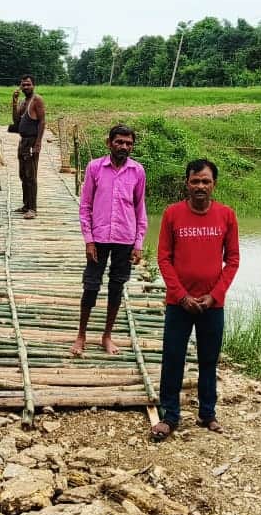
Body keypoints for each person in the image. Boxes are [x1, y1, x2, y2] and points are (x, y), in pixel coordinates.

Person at [150, 159, 240, 442]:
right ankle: (170, 416)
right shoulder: (172, 214)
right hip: (179, 304)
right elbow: (164, 258)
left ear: (214, 184)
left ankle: (207, 413)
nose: (200, 186)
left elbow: (233, 260)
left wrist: (215, 295)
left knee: (209, 360)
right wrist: (181, 295)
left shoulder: (226, 215)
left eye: (206, 181)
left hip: (212, 305)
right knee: (173, 358)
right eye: (195, 181)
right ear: (187, 183)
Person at [71, 125, 147, 357]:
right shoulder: (95, 168)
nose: (124, 146)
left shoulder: (137, 171)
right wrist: (89, 240)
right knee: (91, 285)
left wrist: (138, 243)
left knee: (117, 286)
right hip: (99, 237)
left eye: (128, 143)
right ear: (109, 143)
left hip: (125, 237)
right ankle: (81, 335)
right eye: (119, 142)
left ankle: (107, 335)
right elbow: (85, 206)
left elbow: (140, 207)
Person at [11, 74, 45, 219]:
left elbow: (42, 121)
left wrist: (38, 143)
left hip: (32, 141)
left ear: (33, 85)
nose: (25, 87)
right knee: (23, 175)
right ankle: (26, 205)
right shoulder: (23, 102)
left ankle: (32, 208)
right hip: (23, 142)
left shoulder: (37, 100)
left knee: (31, 176)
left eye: (28, 84)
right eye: (23, 84)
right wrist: (14, 102)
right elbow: (16, 121)